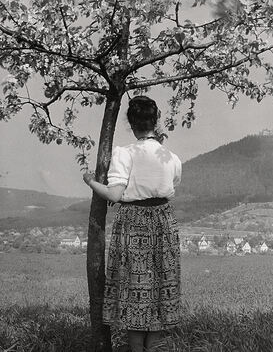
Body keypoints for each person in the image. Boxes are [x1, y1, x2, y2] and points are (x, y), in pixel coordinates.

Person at [83, 95, 182, 352]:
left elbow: (115, 195)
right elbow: (170, 189)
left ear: (131, 123)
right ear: (156, 120)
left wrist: (91, 182)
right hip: (163, 222)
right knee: (159, 290)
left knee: (135, 292)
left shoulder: (124, 153)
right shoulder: (171, 157)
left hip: (134, 222)